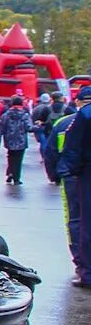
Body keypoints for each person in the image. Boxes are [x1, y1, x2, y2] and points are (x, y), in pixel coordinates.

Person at [60, 88, 91, 287]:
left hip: (87, 172)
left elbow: (72, 147)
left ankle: (88, 273)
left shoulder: (85, 115)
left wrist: (74, 170)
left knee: (85, 223)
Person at [0, 95, 32, 185]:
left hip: (9, 139)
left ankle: (10, 172)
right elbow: (28, 127)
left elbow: (1, 127)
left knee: (10, 156)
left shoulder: (6, 115)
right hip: (21, 139)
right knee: (18, 159)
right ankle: (16, 178)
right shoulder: (24, 115)